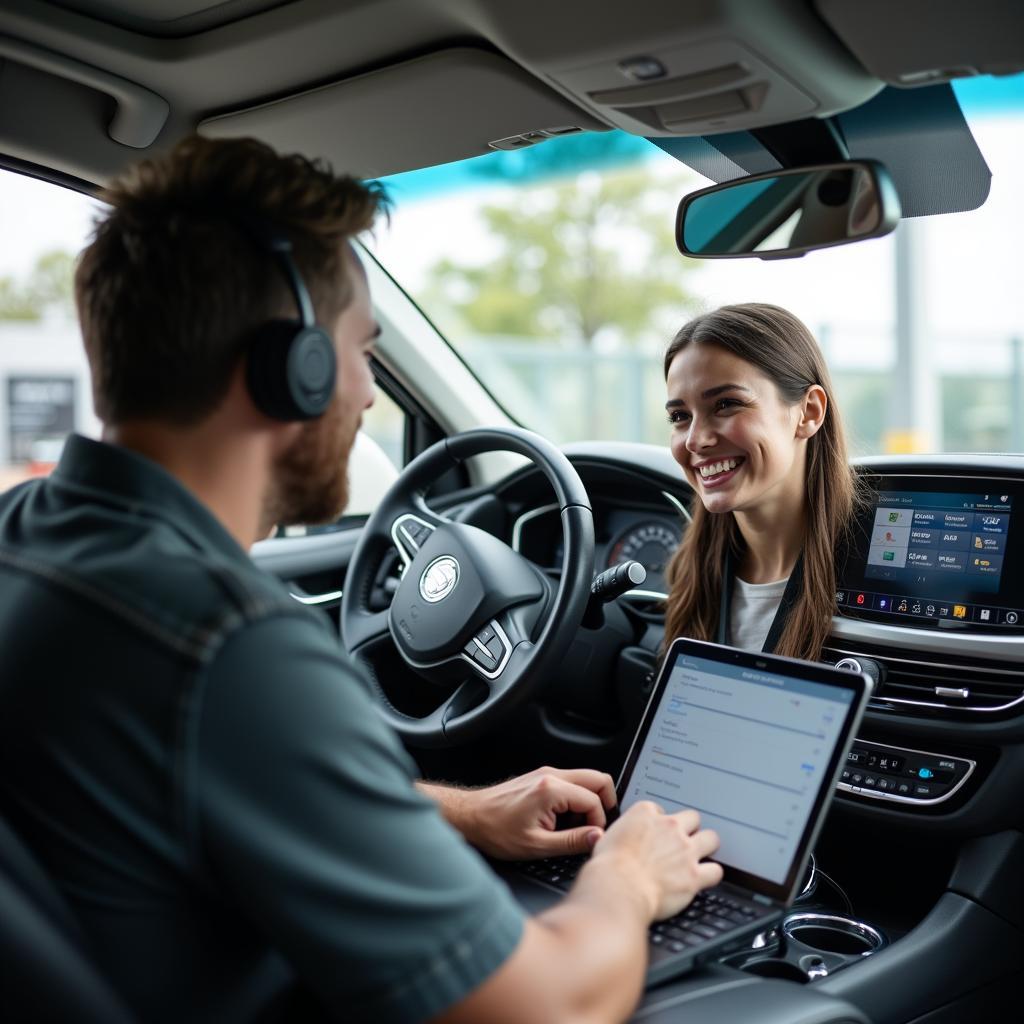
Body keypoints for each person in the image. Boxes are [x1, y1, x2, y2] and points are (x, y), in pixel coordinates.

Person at [0, 136, 722, 1024]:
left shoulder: (26, 544)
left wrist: (461, 811)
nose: (370, 395)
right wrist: (629, 875)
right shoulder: (234, 647)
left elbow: (181, 789)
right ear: (292, 370)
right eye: (360, 351)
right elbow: (555, 1008)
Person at [662, 303, 860, 660]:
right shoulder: (691, 574)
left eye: (726, 404)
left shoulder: (873, 578)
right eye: (680, 416)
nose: (695, 440)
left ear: (809, 412)